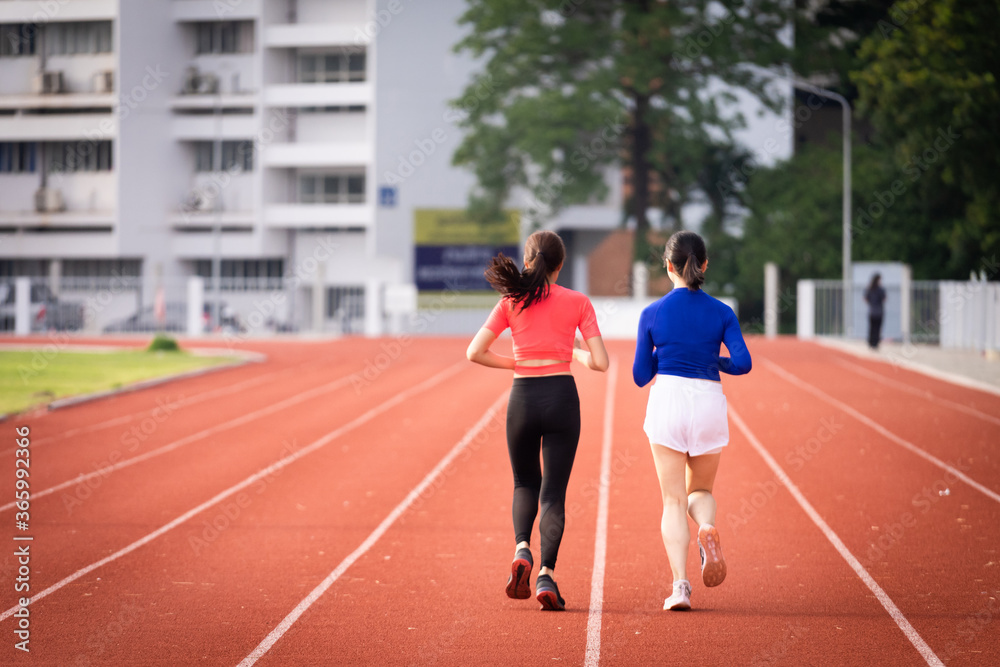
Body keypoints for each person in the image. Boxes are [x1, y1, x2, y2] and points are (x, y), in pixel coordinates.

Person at [467, 230, 609, 611]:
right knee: (554, 493)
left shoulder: (510, 301)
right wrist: (575, 355)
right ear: (559, 265)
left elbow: (474, 352)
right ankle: (546, 572)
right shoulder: (578, 302)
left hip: (523, 398)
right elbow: (602, 362)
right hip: (563, 398)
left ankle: (522, 549)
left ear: (528, 260)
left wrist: (515, 362)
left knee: (524, 482)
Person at [632, 230, 752, 611]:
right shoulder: (722, 312)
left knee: (672, 500)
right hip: (707, 402)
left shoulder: (652, 313)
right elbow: (744, 363)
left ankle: (680, 587)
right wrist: (714, 361)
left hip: (667, 399)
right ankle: (706, 528)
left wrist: (660, 354)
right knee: (699, 491)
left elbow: (639, 375)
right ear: (704, 265)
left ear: (668, 267)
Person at [864, 273, 886, 349]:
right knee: (877, 328)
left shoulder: (869, 289)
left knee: (872, 328)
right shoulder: (880, 289)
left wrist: (871, 303)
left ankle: (871, 342)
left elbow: (865, 299)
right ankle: (875, 343)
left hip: (872, 311)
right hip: (879, 311)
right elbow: (884, 299)